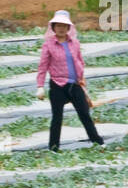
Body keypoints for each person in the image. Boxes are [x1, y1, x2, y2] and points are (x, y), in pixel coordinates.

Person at [36, 9, 106, 152]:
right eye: (58, 25)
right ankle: (53, 147)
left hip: (74, 84)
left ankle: (97, 141)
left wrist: (81, 78)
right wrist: (40, 86)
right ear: (53, 27)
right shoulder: (48, 45)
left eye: (64, 26)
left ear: (69, 28)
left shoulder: (74, 43)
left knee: (84, 113)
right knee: (57, 117)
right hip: (57, 85)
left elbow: (80, 61)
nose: (61, 28)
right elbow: (43, 66)